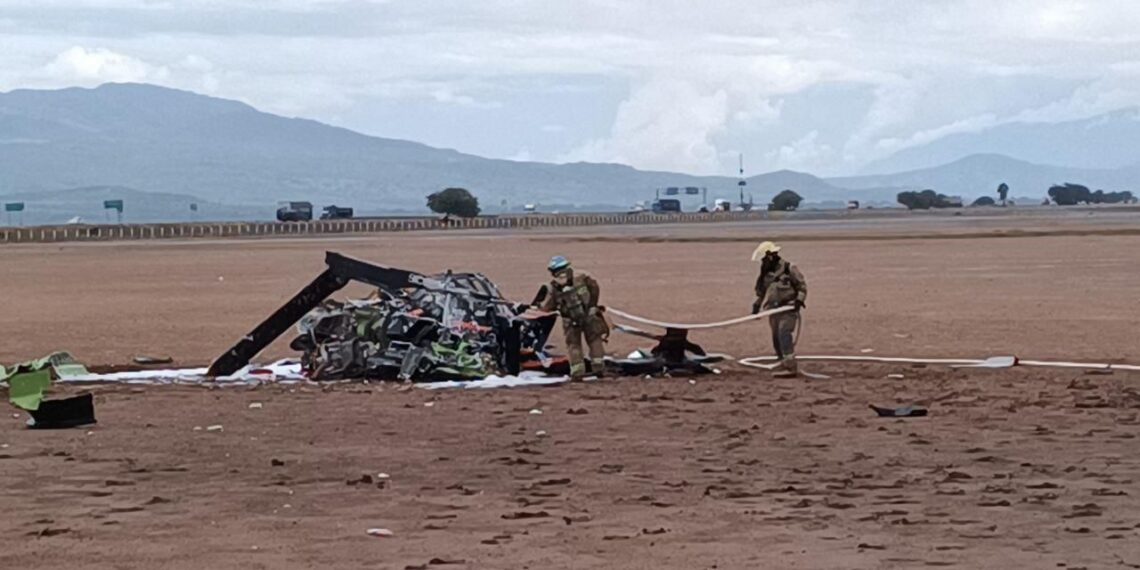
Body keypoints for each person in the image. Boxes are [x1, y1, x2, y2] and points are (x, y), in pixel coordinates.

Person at [538, 255, 609, 380]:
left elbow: (549, 305)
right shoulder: (582, 277)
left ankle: (577, 373)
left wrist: (538, 309)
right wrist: (592, 306)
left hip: (570, 321)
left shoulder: (554, 286)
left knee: (574, 345)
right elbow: (594, 288)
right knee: (595, 341)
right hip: (589, 316)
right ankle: (599, 368)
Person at [751, 241, 807, 377]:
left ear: (770, 256)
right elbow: (762, 292)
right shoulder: (766, 274)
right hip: (773, 310)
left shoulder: (789, 268)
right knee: (776, 338)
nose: (763, 263)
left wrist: (799, 301)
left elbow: (802, 286)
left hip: (788, 309)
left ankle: (791, 367)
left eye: (764, 259)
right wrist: (757, 305)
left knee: (784, 334)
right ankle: (782, 361)